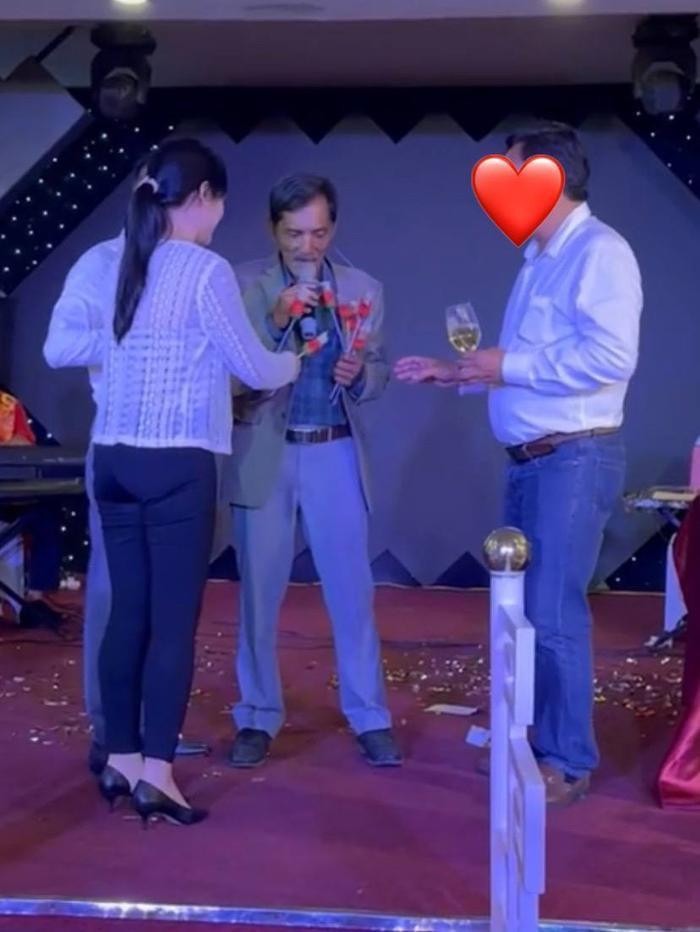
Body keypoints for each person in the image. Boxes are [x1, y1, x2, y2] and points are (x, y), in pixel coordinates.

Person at [44, 139, 299, 825]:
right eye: (220, 204)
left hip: (113, 457)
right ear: (203, 198)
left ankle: (122, 758)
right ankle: (158, 773)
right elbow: (251, 364)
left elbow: (81, 345)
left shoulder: (119, 257)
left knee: (128, 613)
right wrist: (294, 361)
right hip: (177, 461)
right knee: (172, 623)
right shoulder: (202, 269)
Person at [395, 123, 642, 805]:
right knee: (526, 613)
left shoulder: (599, 252)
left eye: (512, 176)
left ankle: (569, 759)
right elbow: (527, 366)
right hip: (534, 461)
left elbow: (611, 357)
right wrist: (460, 372)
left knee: (553, 612)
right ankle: (535, 742)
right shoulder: (540, 256)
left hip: (573, 458)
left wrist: (508, 364)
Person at [222, 173, 401, 768]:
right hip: (265, 453)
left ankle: (369, 715)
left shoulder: (363, 289)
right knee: (258, 595)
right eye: (295, 234)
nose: (308, 246)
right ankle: (257, 715)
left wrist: (363, 375)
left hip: (335, 449)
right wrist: (275, 322)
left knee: (353, 592)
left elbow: (378, 370)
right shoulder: (242, 285)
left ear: (333, 228)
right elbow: (229, 379)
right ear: (273, 229)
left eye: (319, 233)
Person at [44, 152, 212, 776]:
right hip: (118, 442)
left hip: (179, 445)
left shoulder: (191, 269)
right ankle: (110, 732)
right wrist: (128, 340)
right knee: (116, 595)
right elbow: (58, 346)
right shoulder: (100, 263)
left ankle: (150, 731)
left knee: (166, 606)